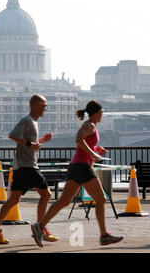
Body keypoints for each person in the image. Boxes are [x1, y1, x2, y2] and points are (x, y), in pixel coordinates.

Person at [31, 100, 124, 247]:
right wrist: (94, 153)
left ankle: (40, 226)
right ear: (95, 113)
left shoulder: (91, 126)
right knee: (101, 199)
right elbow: (78, 140)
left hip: (76, 166)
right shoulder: (89, 125)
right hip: (81, 166)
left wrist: (97, 149)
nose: (102, 115)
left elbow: (85, 144)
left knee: (64, 201)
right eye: (101, 113)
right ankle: (104, 235)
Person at [0, 94, 58, 244]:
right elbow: (12, 135)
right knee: (46, 194)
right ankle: (40, 227)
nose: (46, 108)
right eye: (44, 105)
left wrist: (41, 141)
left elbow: (30, 142)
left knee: (13, 199)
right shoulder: (27, 120)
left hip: (21, 166)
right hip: (27, 166)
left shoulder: (34, 122)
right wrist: (30, 145)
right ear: (36, 105)